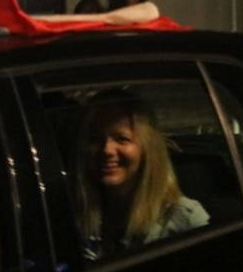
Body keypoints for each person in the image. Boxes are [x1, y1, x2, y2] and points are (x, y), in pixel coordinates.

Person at [73, 90, 209, 261]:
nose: (106, 150)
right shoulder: (78, 212)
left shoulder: (184, 219)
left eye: (122, 139)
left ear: (148, 149)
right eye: (95, 138)